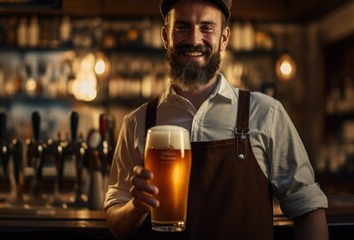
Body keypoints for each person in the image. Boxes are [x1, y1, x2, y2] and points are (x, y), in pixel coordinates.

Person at [104, 0, 329, 239]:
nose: (194, 39)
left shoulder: (266, 113)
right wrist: (136, 207)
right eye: (182, 27)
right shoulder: (137, 122)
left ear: (224, 38)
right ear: (165, 36)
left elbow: (308, 208)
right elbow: (116, 223)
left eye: (207, 27)